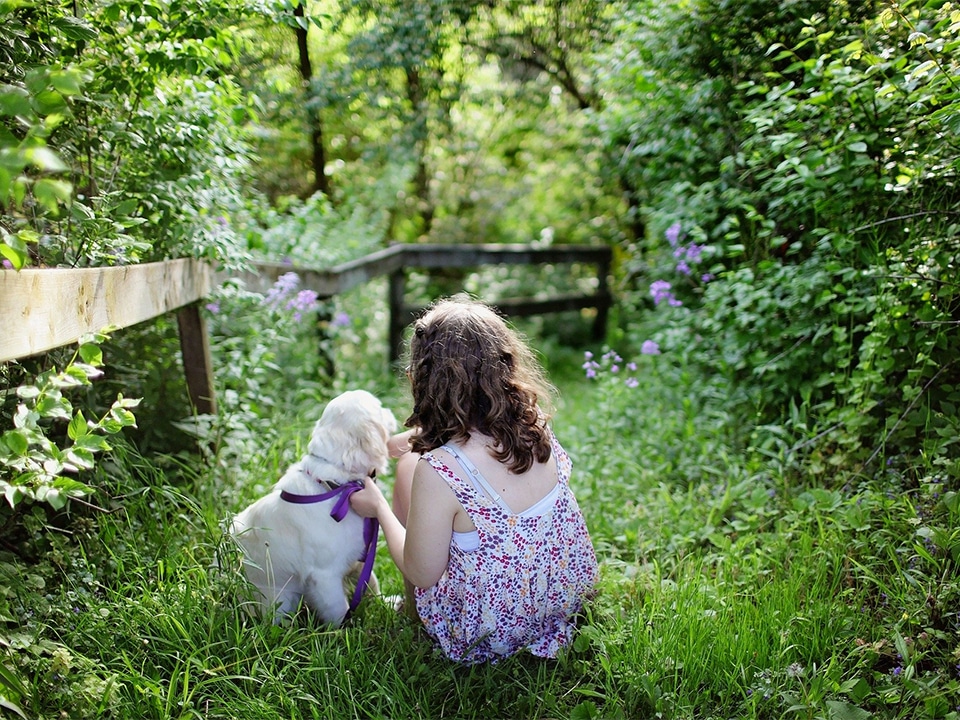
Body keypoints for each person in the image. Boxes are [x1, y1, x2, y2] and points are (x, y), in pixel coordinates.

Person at [350, 297, 598, 664]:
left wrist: (380, 509)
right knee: (411, 461)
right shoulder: (534, 426)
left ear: (421, 379)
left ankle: (413, 612)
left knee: (407, 468)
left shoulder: (438, 470)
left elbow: (423, 572)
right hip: (561, 600)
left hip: (487, 630)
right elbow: (467, 444)